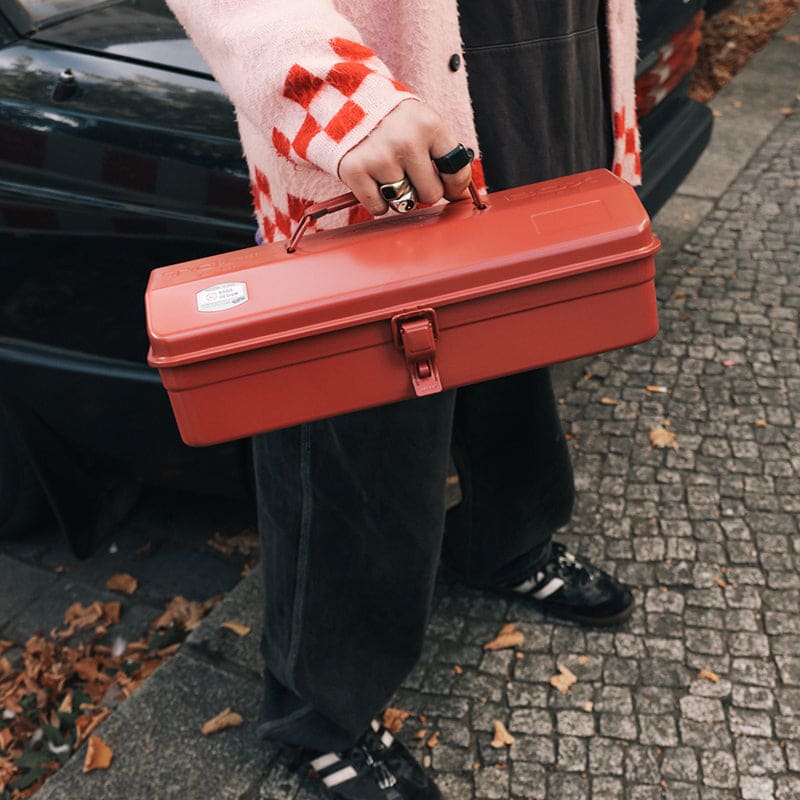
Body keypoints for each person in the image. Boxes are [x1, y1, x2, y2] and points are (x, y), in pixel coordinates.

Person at [166, 1, 642, 797]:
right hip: (375, 142)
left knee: (512, 362)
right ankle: (319, 710)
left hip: (543, 98)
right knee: (353, 447)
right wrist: (339, 96)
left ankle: (504, 538)